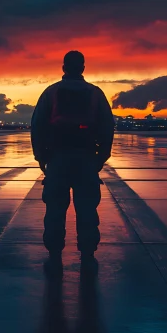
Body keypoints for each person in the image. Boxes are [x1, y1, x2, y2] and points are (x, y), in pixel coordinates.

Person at [31, 50, 114, 268]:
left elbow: (38, 125)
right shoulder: (95, 93)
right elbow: (107, 126)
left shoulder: (51, 92)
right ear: (83, 68)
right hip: (86, 159)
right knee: (87, 208)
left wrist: (41, 156)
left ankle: (54, 253)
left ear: (63, 67)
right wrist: (101, 158)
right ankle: (87, 253)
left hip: (57, 159)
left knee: (55, 208)